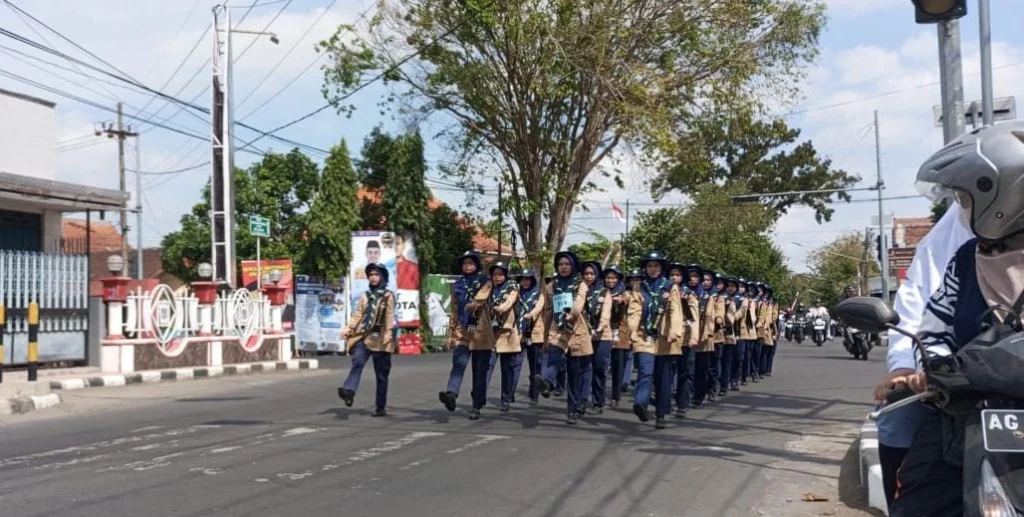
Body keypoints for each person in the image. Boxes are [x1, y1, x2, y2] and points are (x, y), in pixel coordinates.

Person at [880, 122, 1024, 516]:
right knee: (916, 500)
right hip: (966, 412)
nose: (961, 208)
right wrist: (926, 367)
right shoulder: (966, 260)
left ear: (1003, 195)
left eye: (964, 198)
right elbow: (934, 326)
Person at [534, 251, 590, 424]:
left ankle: (572, 410)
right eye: (560, 264)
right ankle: (548, 383)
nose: (564, 267)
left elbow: (580, 302)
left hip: (576, 331)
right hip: (557, 329)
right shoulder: (551, 286)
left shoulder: (581, 284)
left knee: (574, 373)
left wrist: (572, 314)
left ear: (572, 266)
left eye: (567, 264)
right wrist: (545, 336)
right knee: (553, 357)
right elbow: (548, 311)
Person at [337, 263, 396, 417]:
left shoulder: (388, 295)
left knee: (381, 375)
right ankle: (349, 391)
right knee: (357, 361)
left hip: (383, 339)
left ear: (382, 276)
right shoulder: (365, 295)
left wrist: (389, 332)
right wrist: (348, 328)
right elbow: (358, 315)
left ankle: (380, 407)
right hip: (366, 336)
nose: (373, 277)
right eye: (371, 275)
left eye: (376, 274)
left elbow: (390, 315)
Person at [439, 251, 491, 412]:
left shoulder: (485, 281)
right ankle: (451, 394)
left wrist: (474, 303)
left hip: (480, 331)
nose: (467, 266)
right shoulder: (458, 284)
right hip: (462, 329)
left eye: (470, 263)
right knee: (458, 363)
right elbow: (454, 310)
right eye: (465, 263)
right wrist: (450, 334)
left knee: (479, 370)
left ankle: (477, 404)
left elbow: (483, 297)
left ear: (476, 265)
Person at [629, 251, 673, 427]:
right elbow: (634, 311)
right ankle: (640, 403)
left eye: (656, 266)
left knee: (662, 378)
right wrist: (633, 330)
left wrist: (674, 331)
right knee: (645, 372)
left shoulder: (670, 286)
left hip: (664, 337)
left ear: (661, 268)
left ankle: (661, 414)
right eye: (649, 266)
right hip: (644, 335)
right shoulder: (639, 287)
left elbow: (675, 312)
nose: (653, 269)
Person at [476, 262, 519, 418]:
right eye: (495, 274)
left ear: (505, 275)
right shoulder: (487, 288)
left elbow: (509, 302)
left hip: (506, 333)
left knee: (507, 369)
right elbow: (478, 302)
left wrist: (500, 308)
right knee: (486, 367)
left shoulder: (512, 287)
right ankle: (479, 398)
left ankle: (506, 399)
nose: (497, 277)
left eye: (501, 274)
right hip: (490, 334)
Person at [587, 265, 626, 414]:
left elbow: (627, 299)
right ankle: (598, 400)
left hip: (619, 334)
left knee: (617, 366)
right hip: (599, 333)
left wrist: (618, 300)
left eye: (614, 278)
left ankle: (615, 396)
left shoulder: (623, 292)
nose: (611, 280)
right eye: (608, 277)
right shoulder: (598, 292)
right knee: (598, 366)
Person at [513, 268, 546, 406]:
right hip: (519, 333)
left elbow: (538, 308)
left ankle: (534, 394)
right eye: (523, 279)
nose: (525, 282)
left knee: (535, 365)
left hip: (534, 334)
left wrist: (530, 314)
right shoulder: (516, 294)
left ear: (532, 280)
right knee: (515, 364)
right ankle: (509, 393)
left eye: (528, 279)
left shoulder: (539, 294)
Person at [610, 268, 642, 408]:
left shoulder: (643, 294)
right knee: (611, 364)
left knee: (632, 363)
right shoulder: (622, 293)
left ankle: (622, 392)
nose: (635, 282)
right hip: (614, 332)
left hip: (635, 332)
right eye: (632, 279)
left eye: (638, 279)